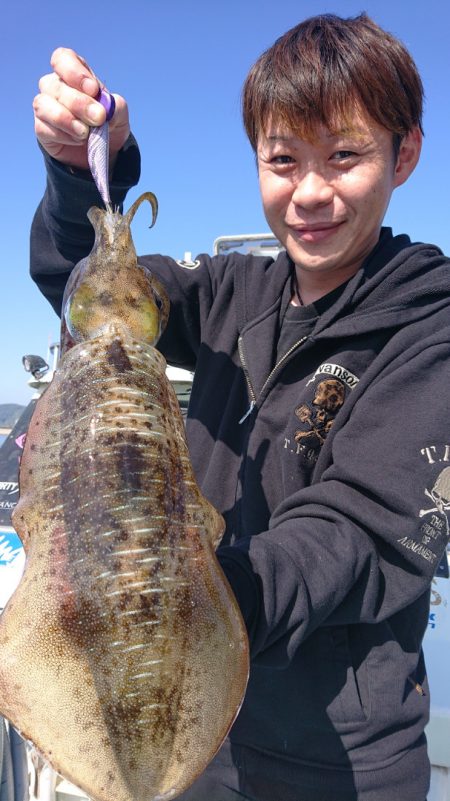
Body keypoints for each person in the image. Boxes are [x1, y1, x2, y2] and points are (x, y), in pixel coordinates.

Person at [30, 13, 450, 801]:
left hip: (336, 768)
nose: (310, 192)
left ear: (405, 154)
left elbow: (355, 534)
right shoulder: (232, 291)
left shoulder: (432, 330)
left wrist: (176, 599)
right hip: (196, 753)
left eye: (345, 155)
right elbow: (89, 295)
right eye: (283, 159)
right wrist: (83, 175)